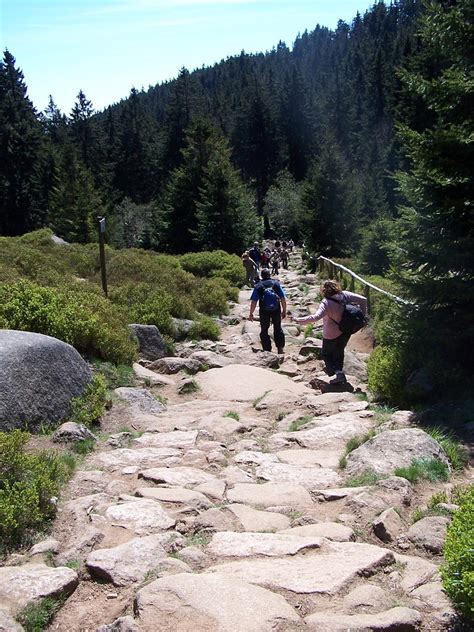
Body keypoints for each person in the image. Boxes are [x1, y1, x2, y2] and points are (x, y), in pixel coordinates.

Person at [292, 279, 367, 384]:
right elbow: (363, 299)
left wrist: (299, 320)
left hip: (330, 334)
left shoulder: (326, 303)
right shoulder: (345, 295)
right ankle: (339, 373)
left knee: (326, 354)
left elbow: (315, 317)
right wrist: (362, 314)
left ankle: (336, 373)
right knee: (339, 352)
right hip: (345, 330)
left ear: (324, 291)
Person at [249, 268, 287, 354]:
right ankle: (280, 348)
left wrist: (251, 313)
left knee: (264, 330)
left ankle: (267, 350)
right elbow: (282, 298)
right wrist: (284, 310)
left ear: (261, 276)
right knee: (277, 328)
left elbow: (254, 301)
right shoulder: (276, 284)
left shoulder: (258, 286)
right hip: (276, 309)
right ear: (269, 275)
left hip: (264, 310)